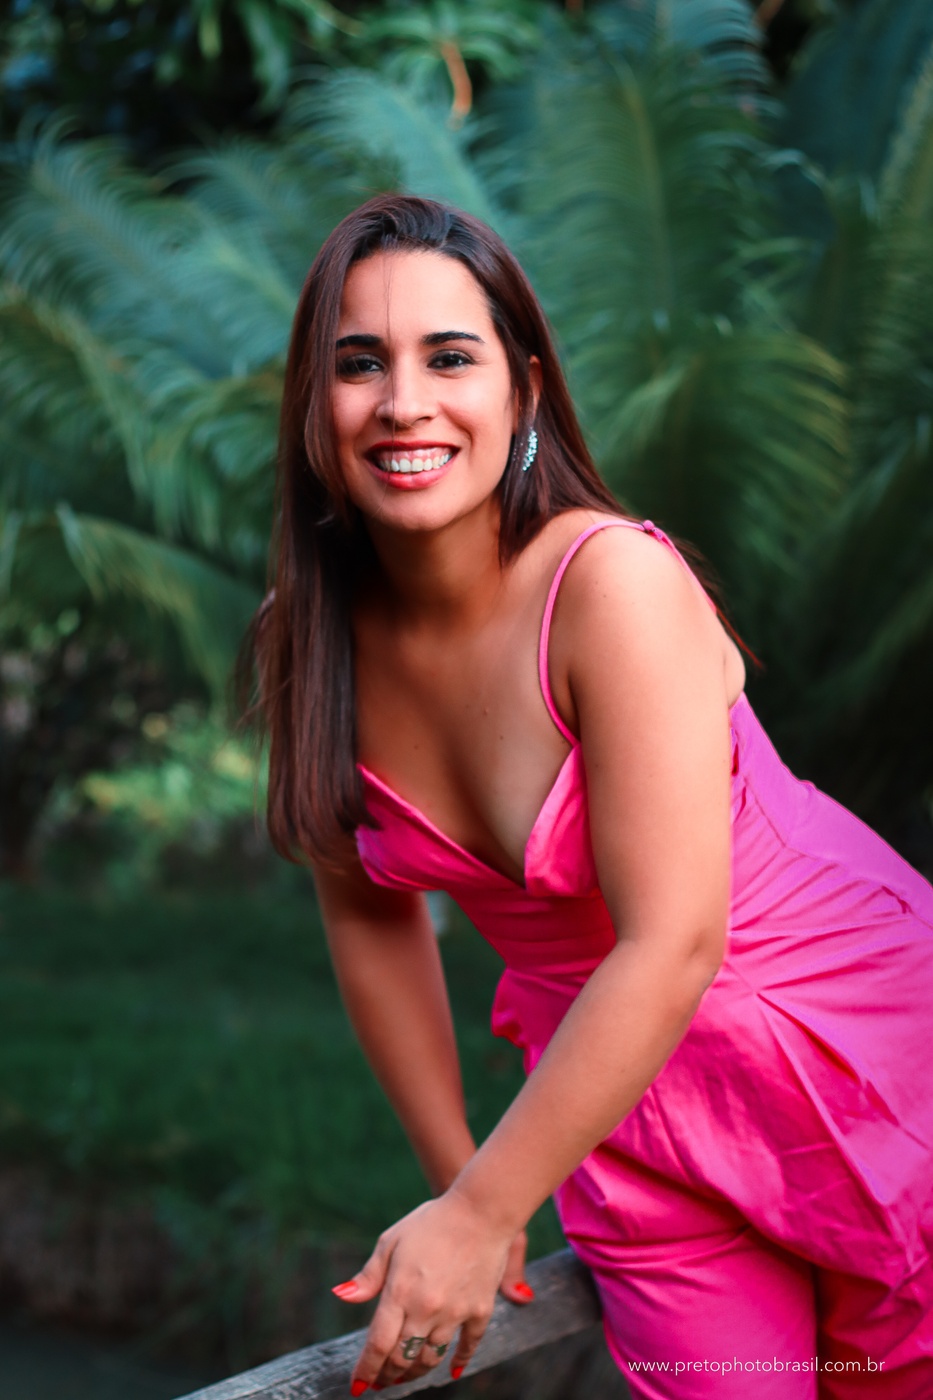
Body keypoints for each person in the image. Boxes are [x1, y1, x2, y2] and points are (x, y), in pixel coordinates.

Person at [244, 193, 933, 1399]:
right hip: (623, 1124)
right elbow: (369, 915)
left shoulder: (612, 584)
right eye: (358, 364)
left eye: (448, 357)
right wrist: (469, 1186)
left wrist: (480, 1208)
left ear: (522, 388)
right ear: (314, 402)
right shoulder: (314, 643)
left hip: (864, 1063)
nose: (402, 402)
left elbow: (674, 939)